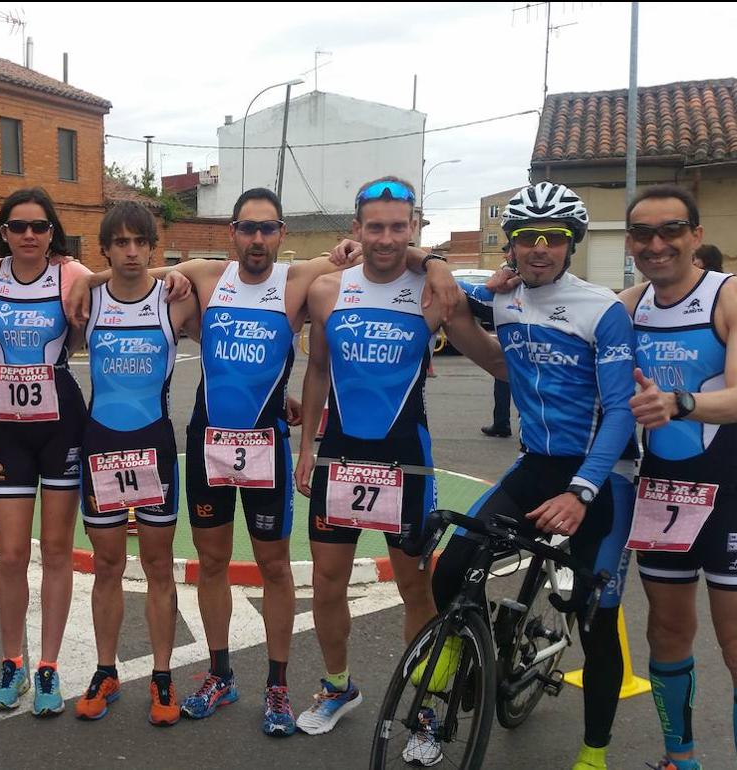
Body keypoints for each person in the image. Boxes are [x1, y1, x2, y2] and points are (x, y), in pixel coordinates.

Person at [69, 186, 459, 736]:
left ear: (281, 234)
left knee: (274, 566)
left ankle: (277, 685)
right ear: (232, 232)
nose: (257, 238)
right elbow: (131, 271)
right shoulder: (205, 276)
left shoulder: (301, 281)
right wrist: (85, 278)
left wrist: (434, 262)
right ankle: (221, 674)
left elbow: (379, 251)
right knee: (211, 564)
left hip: (266, 447)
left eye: (268, 228)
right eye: (247, 228)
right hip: (208, 442)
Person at [431, 182, 636, 770]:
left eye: (552, 238)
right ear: (512, 244)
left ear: (571, 244)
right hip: (535, 463)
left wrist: (581, 492)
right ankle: (462, 653)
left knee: (596, 620)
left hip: (603, 476)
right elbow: (455, 303)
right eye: (527, 237)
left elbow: (620, 410)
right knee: (451, 567)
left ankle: (595, 751)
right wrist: (464, 284)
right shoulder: (508, 298)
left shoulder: (603, 309)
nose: (538, 249)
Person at [293, 177, 505, 737]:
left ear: (413, 228)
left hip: (406, 460)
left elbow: (492, 358)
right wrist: (306, 449)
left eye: (398, 226)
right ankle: (338, 687)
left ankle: (428, 707)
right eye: (375, 226)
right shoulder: (327, 291)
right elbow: (316, 370)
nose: (386, 238)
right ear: (356, 230)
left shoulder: (434, 292)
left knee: (416, 586)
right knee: (328, 579)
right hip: (340, 455)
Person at [618, 185, 737, 770]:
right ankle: (679, 759)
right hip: (663, 489)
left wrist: (679, 404)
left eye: (670, 230)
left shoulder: (728, 296)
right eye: (642, 234)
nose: (656, 244)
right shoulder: (629, 304)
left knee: (736, 644)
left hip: (731, 491)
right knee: (665, 631)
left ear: (695, 234)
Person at [71, 202, 198, 726]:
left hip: (154, 447)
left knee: (157, 566)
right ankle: (106, 670)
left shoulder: (176, 302)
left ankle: (163, 673)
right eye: (118, 242)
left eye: (138, 242)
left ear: (152, 246)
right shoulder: (87, 299)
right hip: (100, 445)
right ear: (105, 248)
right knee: (106, 566)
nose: (129, 251)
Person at [0, 187, 93, 716]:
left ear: (53, 233)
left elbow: (124, 281)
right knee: (12, 554)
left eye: (39, 227)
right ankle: (13, 662)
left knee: (57, 551)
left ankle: (48, 666)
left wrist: (175, 275)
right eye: (18, 226)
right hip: (7, 424)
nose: (28, 235)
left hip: (61, 420)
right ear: (3, 231)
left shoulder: (71, 274)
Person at [482, 242, 515, 438]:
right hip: (508, 334)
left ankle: (503, 424)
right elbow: (491, 285)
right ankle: (501, 423)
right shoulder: (509, 270)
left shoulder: (512, 270)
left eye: (507, 252)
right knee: (502, 382)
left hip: (519, 333)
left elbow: (492, 285)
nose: (505, 256)